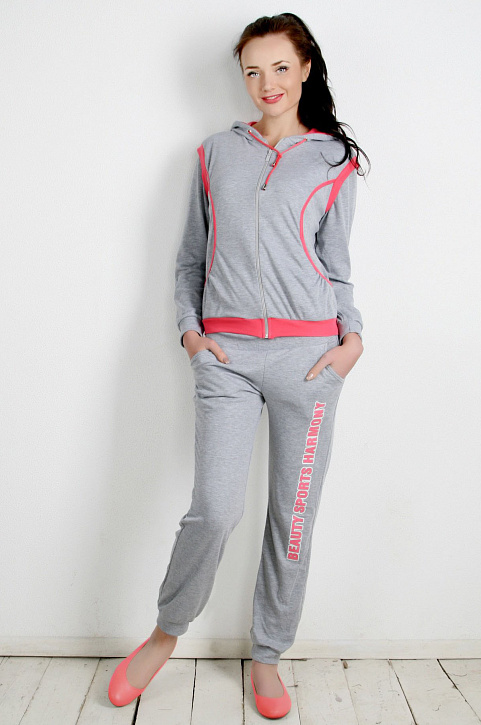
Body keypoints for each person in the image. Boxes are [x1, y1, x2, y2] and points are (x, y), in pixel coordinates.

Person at [109, 12, 370, 718]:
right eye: (253, 70)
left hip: (310, 362)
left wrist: (350, 341)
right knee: (216, 510)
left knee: (292, 517)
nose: (266, 83)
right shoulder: (214, 154)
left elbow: (338, 268)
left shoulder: (333, 162)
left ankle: (268, 654)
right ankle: (164, 634)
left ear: (306, 68)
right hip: (225, 358)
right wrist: (191, 335)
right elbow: (189, 260)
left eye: (280, 67)